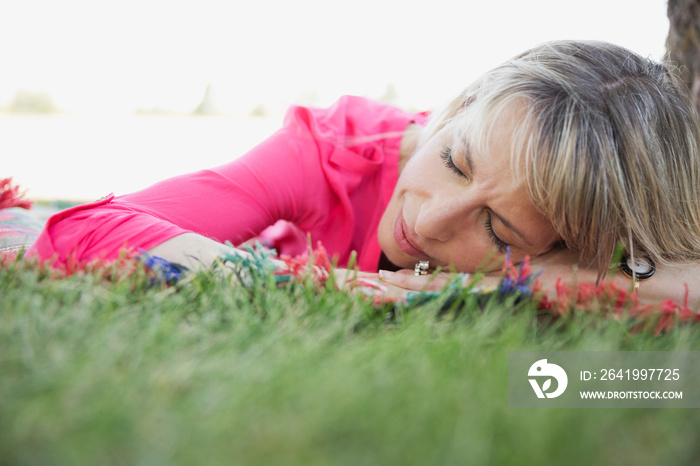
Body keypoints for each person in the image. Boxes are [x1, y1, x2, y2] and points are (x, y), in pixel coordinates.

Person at [26, 40, 700, 306]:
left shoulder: (599, 239)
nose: (426, 219)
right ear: (453, 110)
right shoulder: (337, 149)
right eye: (453, 162)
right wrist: (345, 285)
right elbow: (81, 230)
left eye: (497, 228)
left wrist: (542, 284)